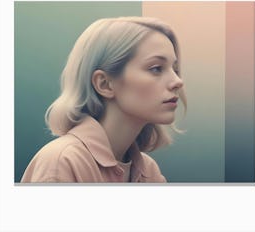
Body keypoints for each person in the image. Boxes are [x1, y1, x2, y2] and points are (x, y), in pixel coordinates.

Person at [20, 16, 186, 183]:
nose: (178, 81)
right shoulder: (61, 163)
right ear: (105, 84)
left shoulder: (149, 171)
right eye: (156, 68)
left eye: (175, 69)